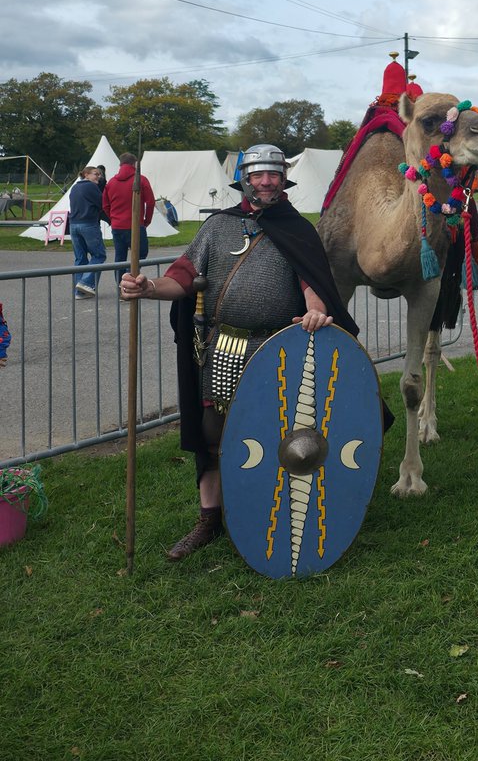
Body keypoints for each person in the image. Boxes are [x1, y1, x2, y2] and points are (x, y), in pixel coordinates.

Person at [120, 143, 360, 562]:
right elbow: (183, 277)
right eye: (258, 175)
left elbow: (312, 284)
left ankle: (266, 513)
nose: (266, 182)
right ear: (244, 180)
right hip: (224, 349)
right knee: (212, 436)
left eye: (274, 174)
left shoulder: (298, 229)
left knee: (279, 437)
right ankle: (209, 519)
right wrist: (149, 287)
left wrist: (316, 310)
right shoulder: (217, 227)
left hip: (276, 352)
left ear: (284, 179)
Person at [102, 153, 155, 279]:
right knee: (141, 253)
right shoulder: (141, 180)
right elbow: (151, 202)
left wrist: (113, 218)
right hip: (135, 224)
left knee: (120, 257)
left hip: (117, 225)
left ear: (120, 164)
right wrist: (146, 221)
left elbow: (105, 205)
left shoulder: (111, 182)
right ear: (134, 164)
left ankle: (120, 284)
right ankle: (130, 276)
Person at [68, 166, 106, 298]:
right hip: (88, 224)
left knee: (80, 258)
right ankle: (86, 283)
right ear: (86, 175)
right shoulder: (91, 187)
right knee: (99, 255)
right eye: (96, 174)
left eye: (99, 174)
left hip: (73, 225)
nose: (99, 177)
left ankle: (79, 292)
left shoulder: (75, 187)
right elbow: (102, 204)